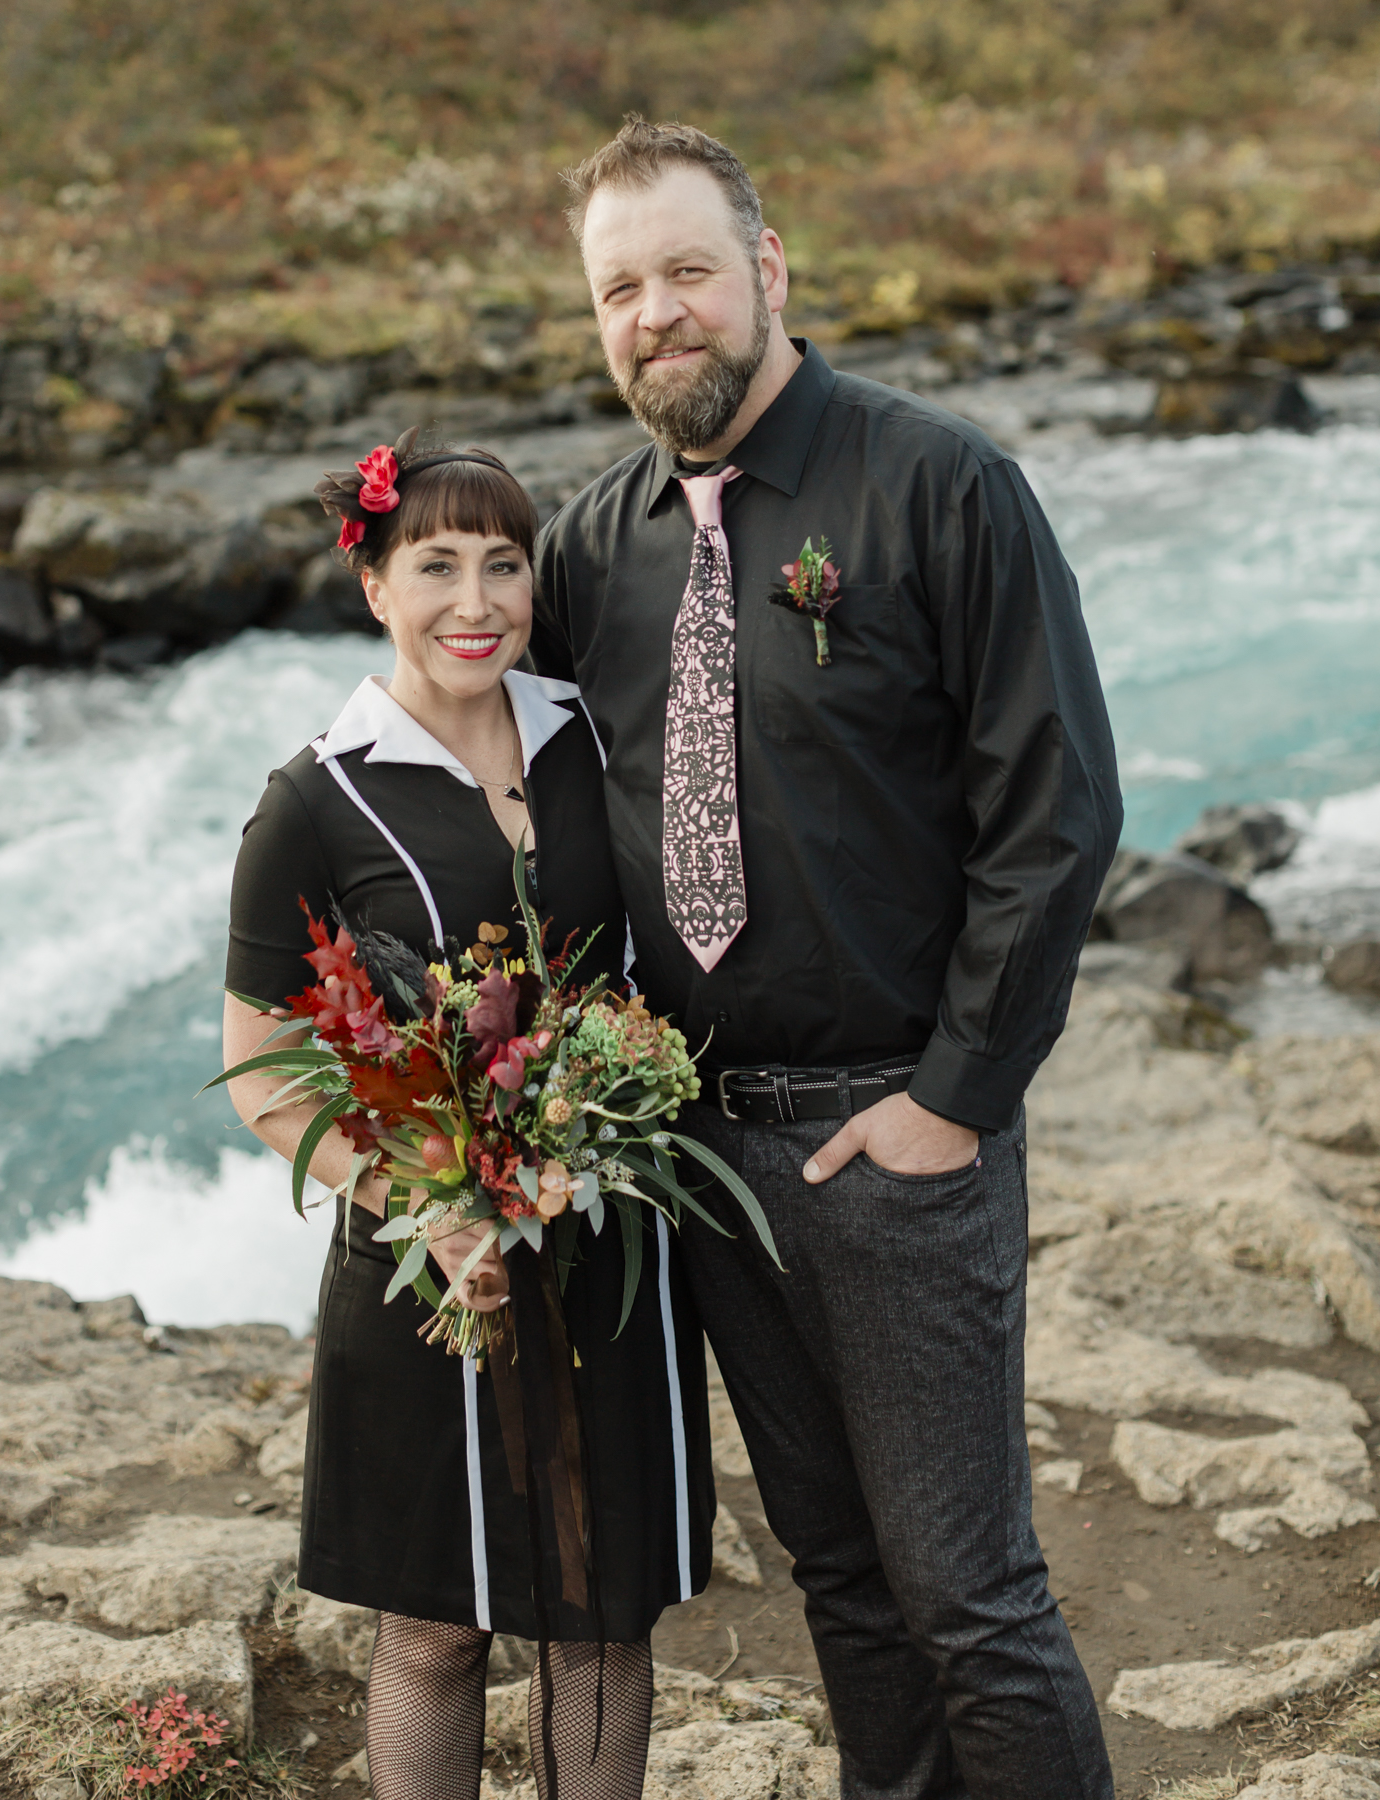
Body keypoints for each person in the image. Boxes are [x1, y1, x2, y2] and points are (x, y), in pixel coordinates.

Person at [530, 119, 1124, 1800]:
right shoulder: (592, 548)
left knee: (970, 1597)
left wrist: (955, 1100)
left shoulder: (941, 484)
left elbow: (1058, 813)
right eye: (620, 288)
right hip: (705, 1152)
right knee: (845, 1591)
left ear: (769, 271)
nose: (658, 314)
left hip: (900, 1139)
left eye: (689, 271)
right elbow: (528, 799)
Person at [223, 439, 713, 1800]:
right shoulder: (315, 799)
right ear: (374, 584)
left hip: (607, 1243)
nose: (474, 599)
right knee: (438, 1625)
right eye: (434, 565)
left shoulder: (596, 731)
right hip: (425, 1254)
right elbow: (261, 1069)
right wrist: (427, 1208)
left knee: (604, 1620)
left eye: (503, 562)